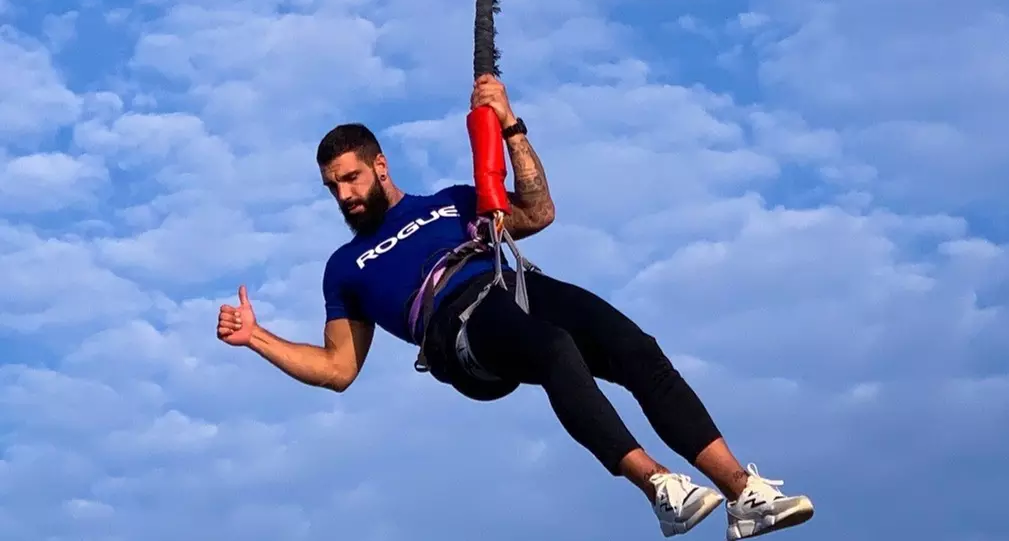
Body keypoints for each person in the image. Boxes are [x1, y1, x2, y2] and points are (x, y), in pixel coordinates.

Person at [215, 75, 814, 539]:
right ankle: (660, 488)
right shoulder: (346, 267)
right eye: (332, 188)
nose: (343, 196)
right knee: (553, 348)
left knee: (635, 349)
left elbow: (539, 211)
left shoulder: (452, 201)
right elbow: (338, 369)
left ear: (380, 166)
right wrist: (259, 337)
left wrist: (509, 125)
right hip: (457, 333)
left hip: (511, 285)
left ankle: (743, 495)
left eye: (350, 179)